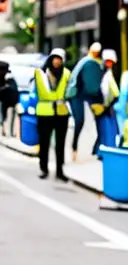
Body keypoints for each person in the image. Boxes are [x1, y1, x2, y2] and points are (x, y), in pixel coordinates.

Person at [34, 48, 71, 181]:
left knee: (60, 144)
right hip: (45, 111)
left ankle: (60, 171)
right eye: (55, 58)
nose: (56, 62)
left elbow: (70, 89)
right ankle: (43, 168)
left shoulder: (66, 73)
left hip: (61, 112)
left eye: (59, 59)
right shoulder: (41, 73)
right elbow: (42, 92)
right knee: (44, 143)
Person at [67, 43, 104, 160]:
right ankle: (75, 149)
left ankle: (86, 149)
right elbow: (91, 86)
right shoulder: (90, 63)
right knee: (80, 121)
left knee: (83, 122)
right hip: (77, 95)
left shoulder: (87, 62)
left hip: (80, 95)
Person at [94, 49, 121, 152]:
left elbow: (115, 92)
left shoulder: (109, 74)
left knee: (108, 130)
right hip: (104, 106)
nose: (109, 64)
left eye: (111, 62)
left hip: (108, 106)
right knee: (105, 130)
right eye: (107, 62)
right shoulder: (105, 74)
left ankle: (104, 149)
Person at [0, 61, 17, 137]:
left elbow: (12, 90)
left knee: (5, 116)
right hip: (7, 101)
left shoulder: (9, 78)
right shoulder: (9, 78)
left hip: (9, 100)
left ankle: (7, 132)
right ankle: (7, 132)